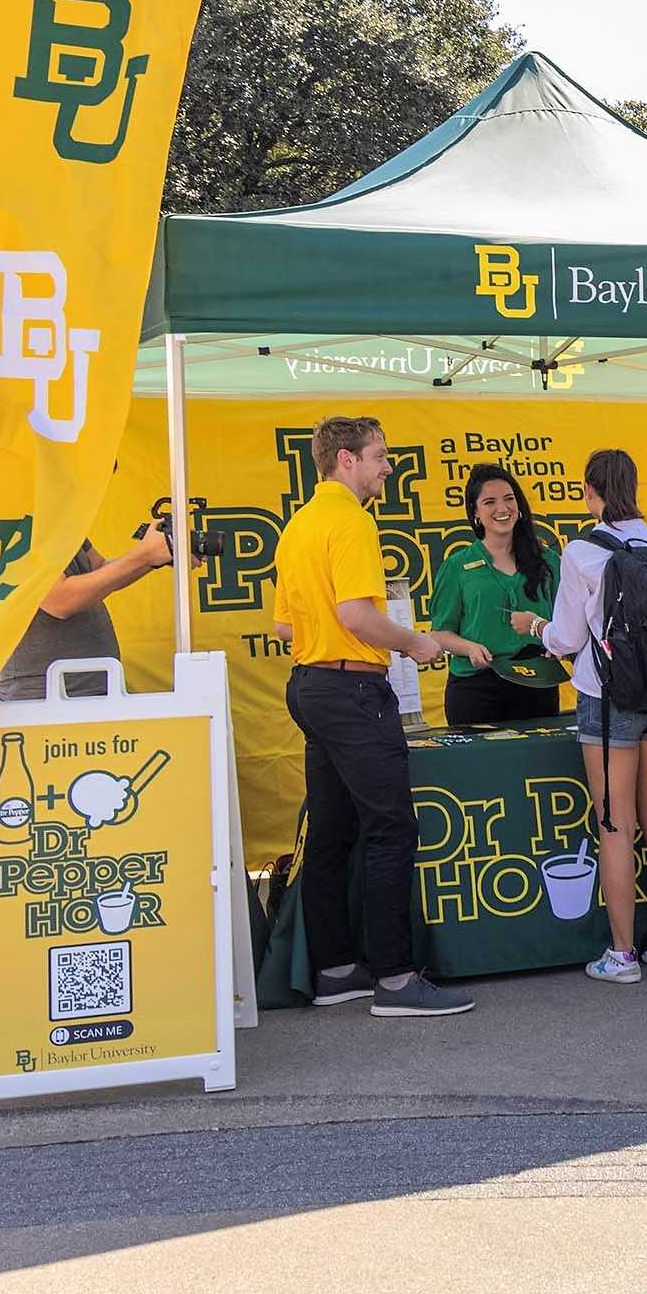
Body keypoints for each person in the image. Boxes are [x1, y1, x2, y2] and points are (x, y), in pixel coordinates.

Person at [274, 415, 469, 1018]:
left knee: (333, 832)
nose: (388, 467)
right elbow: (357, 615)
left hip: (310, 685)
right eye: (380, 456)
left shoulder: (298, 525)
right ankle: (394, 979)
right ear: (346, 460)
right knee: (391, 828)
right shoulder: (352, 521)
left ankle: (334, 970)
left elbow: (284, 626)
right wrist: (413, 643)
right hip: (353, 691)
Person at [541, 449, 647, 981]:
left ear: (590, 489)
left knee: (614, 824)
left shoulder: (582, 551)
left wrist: (536, 632)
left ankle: (622, 954)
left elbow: (565, 636)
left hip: (608, 698)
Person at [425, 463, 559, 726]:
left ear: (519, 506)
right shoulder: (457, 566)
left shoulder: (549, 561)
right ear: (475, 512)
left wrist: (557, 644)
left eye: (509, 499)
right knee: (480, 766)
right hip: (476, 686)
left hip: (537, 681)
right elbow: (440, 633)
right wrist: (469, 647)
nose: (502, 508)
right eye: (489, 502)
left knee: (539, 766)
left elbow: (568, 622)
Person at [0, 527, 171, 700]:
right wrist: (145, 555)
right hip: (45, 696)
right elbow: (60, 600)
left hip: (87, 688)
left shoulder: (60, 522)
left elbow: (99, 568)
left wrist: (158, 556)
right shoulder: (19, 525)